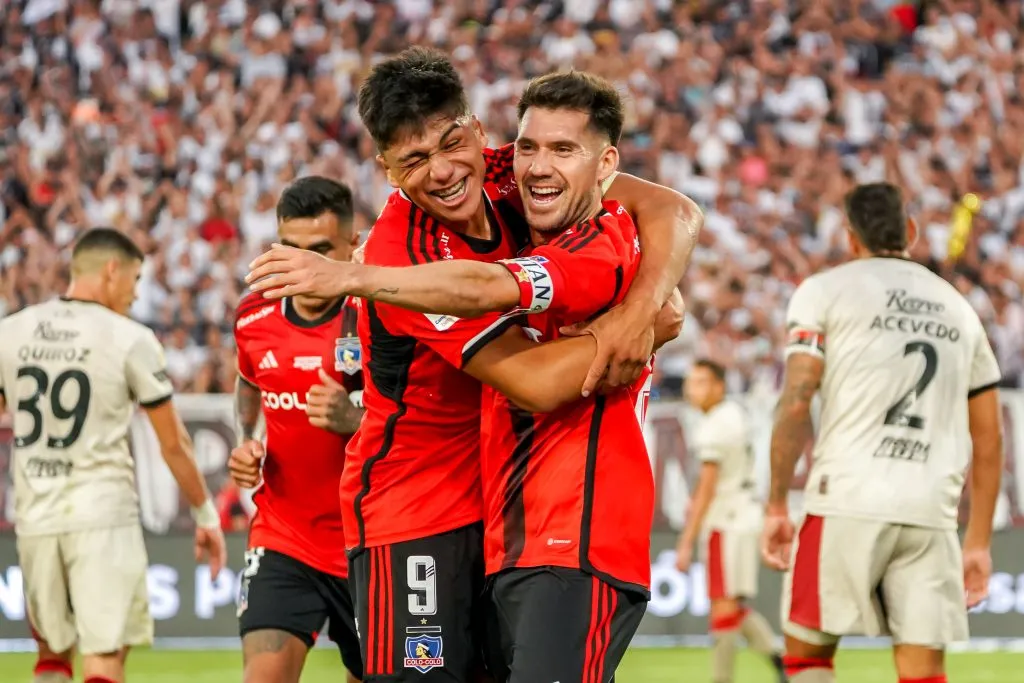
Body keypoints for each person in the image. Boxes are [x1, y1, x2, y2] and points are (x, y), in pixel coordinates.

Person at [245, 50, 699, 682]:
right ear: (387, 170)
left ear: (480, 132)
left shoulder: (519, 175)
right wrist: (642, 332)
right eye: (414, 160)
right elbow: (534, 382)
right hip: (416, 513)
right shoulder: (399, 256)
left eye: (450, 143)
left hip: (504, 511)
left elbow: (675, 210)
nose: (442, 172)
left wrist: (639, 311)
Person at [761, 183, 1004, 683]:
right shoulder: (960, 308)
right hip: (930, 513)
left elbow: (797, 399)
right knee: (922, 673)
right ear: (911, 232)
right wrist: (977, 541)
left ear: (850, 239)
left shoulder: (824, 289)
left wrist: (777, 504)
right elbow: (991, 438)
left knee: (808, 656)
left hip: (845, 497)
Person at [0, 228, 227, 683]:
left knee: (50, 658)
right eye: (135, 278)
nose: (136, 292)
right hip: (102, 515)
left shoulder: (11, 331)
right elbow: (174, 443)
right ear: (111, 270)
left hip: (35, 517)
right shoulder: (129, 337)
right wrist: (206, 515)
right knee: (104, 661)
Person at [228, 177, 364, 683]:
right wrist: (246, 440)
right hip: (285, 537)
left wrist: (355, 420)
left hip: (371, 543)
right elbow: (247, 384)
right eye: (291, 249)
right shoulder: (253, 315)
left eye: (320, 251)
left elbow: (423, 424)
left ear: (353, 246)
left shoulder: (381, 315)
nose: (302, 265)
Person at [674, 359, 785, 683]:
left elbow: (707, 487)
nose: (692, 389)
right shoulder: (735, 415)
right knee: (733, 605)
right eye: (691, 381)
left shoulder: (715, 424)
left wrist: (685, 543)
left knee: (722, 606)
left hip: (725, 519)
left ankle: (722, 679)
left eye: (701, 382)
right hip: (745, 513)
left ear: (719, 386)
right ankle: (778, 656)